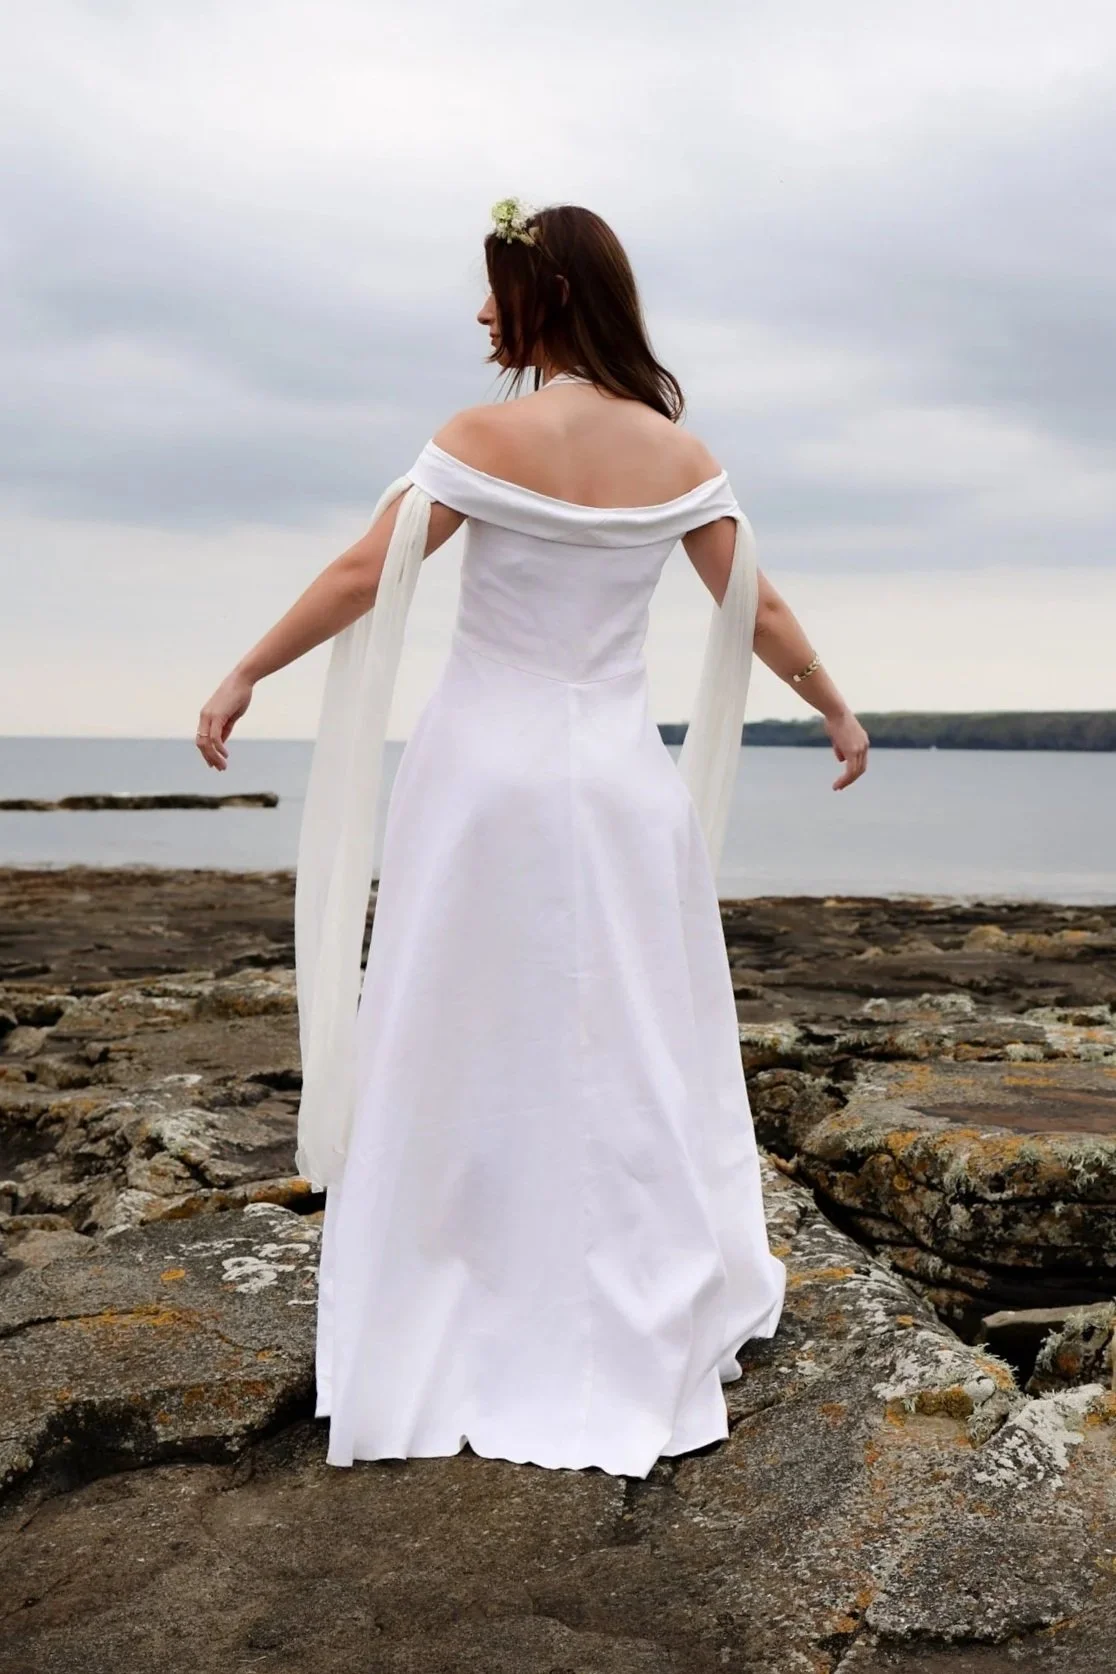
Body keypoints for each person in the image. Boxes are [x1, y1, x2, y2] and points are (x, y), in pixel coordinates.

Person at [195, 198, 870, 1479]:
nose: (480, 311)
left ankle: (462, 1279)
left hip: (485, 778)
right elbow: (752, 604)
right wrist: (833, 706)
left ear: (542, 299)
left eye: (496, 287)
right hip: (618, 780)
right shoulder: (679, 456)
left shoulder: (480, 437)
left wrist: (245, 674)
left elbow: (359, 575)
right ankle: (617, 1292)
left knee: (461, 1023)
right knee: (622, 1030)